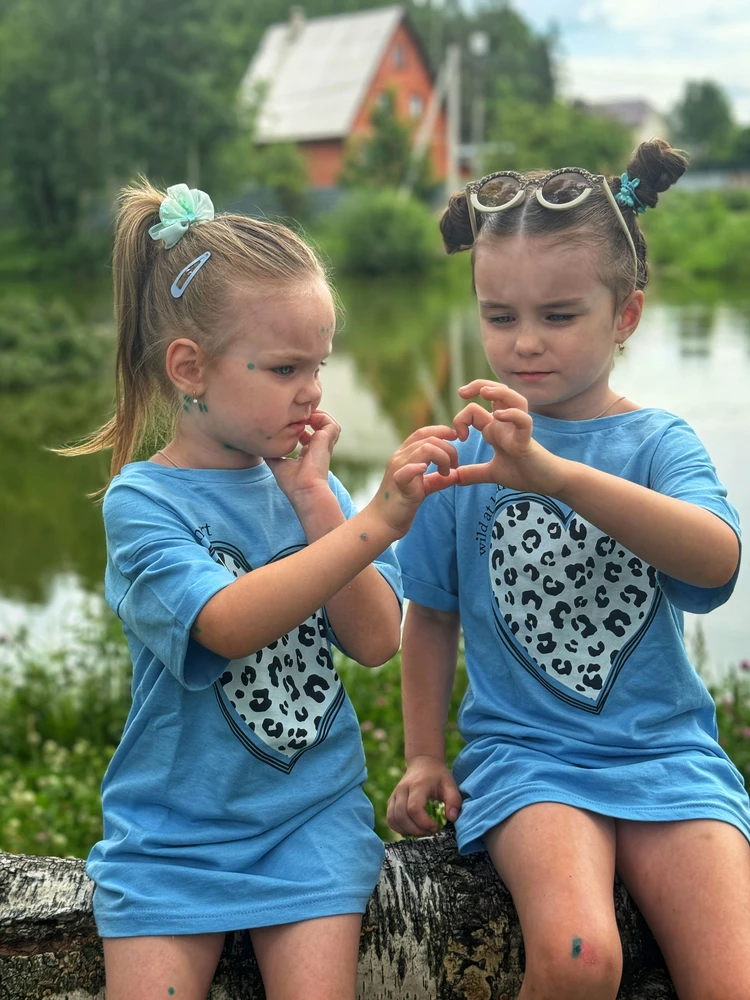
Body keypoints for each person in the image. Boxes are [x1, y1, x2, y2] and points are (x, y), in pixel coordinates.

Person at [65, 180, 459, 1000]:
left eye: (318, 364)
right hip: (173, 833)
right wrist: (378, 523)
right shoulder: (146, 502)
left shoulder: (318, 493)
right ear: (190, 368)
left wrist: (321, 503)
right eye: (285, 367)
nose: (313, 389)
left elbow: (376, 640)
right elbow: (227, 624)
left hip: (308, 821)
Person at [387, 140, 750, 1000]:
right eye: (498, 315)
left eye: (558, 315)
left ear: (624, 316)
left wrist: (556, 476)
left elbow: (716, 560)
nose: (523, 344)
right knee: (582, 956)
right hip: (530, 756)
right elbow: (430, 612)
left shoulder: (658, 443)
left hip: (669, 752)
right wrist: (422, 756)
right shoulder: (464, 449)